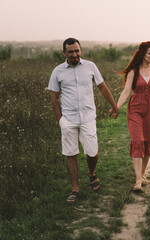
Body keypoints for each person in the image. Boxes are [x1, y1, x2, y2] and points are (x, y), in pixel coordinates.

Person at [48, 38, 119, 202]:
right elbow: (54, 99)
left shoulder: (90, 66)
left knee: (92, 152)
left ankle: (91, 173)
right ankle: (75, 189)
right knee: (71, 153)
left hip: (88, 117)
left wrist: (114, 105)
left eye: (77, 50)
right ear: (64, 53)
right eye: (71, 52)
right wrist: (61, 121)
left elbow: (102, 86)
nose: (75, 54)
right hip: (68, 119)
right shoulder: (58, 71)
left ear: (81, 50)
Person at [109, 41, 150, 192]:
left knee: (147, 142)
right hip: (135, 108)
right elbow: (126, 92)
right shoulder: (133, 71)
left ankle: (142, 173)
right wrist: (116, 107)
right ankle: (138, 181)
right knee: (137, 141)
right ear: (143, 54)